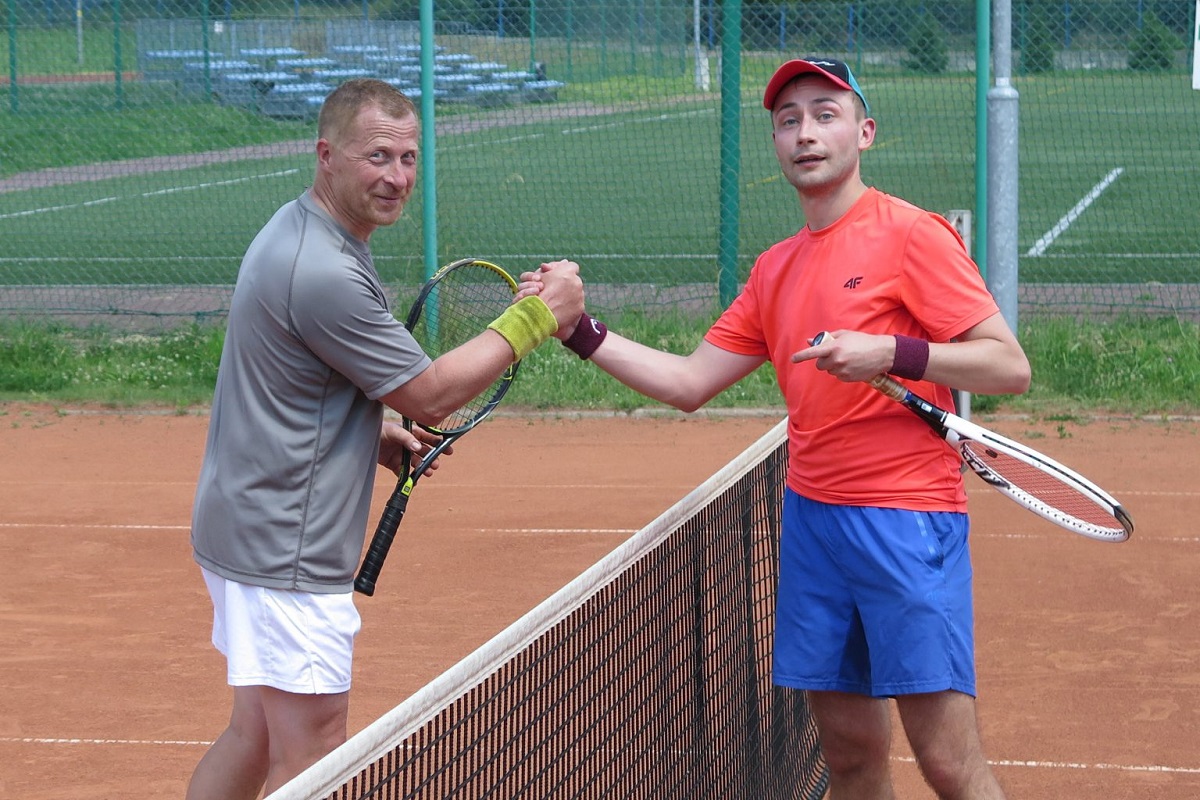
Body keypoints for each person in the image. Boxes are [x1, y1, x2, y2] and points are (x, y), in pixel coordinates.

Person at [529, 58, 1029, 799]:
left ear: (864, 132)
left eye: (825, 114)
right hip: (812, 527)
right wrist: (578, 331)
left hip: (906, 523)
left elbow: (1007, 365)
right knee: (851, 753)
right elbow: (689, 381)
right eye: (788, 120)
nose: (805, 133)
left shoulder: (912, 237)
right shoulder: (775, 269)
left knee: (949, 764)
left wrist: (889, 350)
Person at [186, 78, 583, 800]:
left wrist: (370, 431)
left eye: (407, 158)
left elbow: (301, 376)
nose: (396, 177)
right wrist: (535, 319)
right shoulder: (324, 270)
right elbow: (430, 391)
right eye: (377, 157)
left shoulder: (303, 228)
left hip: (245, 526)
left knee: (256, 737)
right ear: (326, 155)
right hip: (285, 549)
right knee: (314, 756)